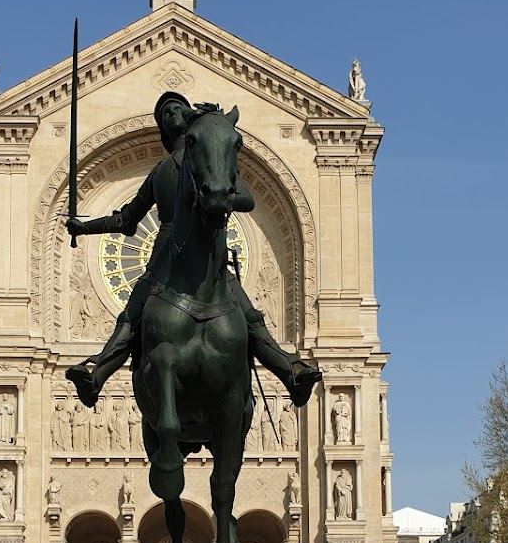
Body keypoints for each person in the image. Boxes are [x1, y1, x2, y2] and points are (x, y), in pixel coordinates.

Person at [65, 91, 322, 411]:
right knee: (130, 317)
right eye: (163, 115)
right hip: (163, 261)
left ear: (189, 117)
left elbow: (247, 200)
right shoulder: (159, 172)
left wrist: (217, 197)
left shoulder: (212, 162)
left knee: (250, 317)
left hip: (210, 261)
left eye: (176, 109)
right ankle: (96, 375)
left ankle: (291, 374)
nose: (170, 115)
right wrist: (83, 227)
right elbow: (127, 220)